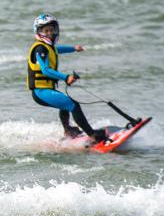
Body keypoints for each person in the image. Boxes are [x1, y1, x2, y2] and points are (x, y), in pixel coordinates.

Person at [28, 13, 106, 142]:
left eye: (52, 30)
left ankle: (68, 131)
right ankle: (93, 135)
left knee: (65, 104)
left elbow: (58, 49)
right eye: (46, 31)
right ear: (38, 32)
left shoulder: (49, 48)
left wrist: (74, 48)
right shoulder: (40, 49)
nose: (50, 33)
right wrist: (66, 77)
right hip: (40, 91)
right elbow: (46, 71)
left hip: (45, 90)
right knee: (73, 105)